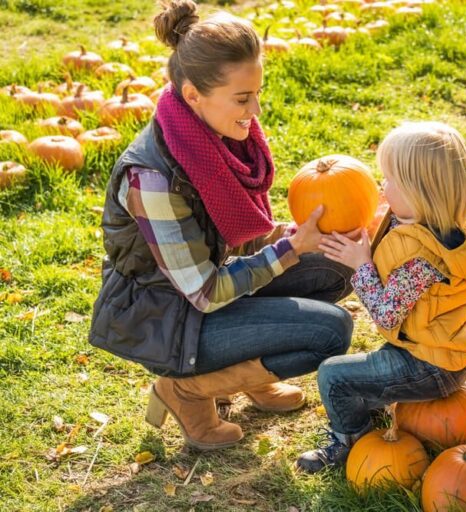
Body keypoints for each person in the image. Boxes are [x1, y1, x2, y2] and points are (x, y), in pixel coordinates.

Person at [88, 0, 357, 451]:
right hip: (166, 317)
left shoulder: (213, 137)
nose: (254, 110)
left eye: (256, 93)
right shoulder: (152, 178)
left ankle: (249, 374)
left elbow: (239, 235)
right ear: (193, 94)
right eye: (241, 98)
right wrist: (288, 251)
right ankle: (187, 390)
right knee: (330, 331)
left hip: (199, 294)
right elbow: (205, 291)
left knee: (333, 267)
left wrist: (296, 237)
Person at [296, 121, 466, 472]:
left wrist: (361, 266)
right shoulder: (428, 225)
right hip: (431, 349)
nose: (383, 188)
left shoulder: (424, 258)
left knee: (333, 376)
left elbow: (387, 314)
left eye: (390, 181)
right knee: (363, 379)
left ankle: (350, 442)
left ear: (420, 192)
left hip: (430, 365)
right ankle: (379, 405)